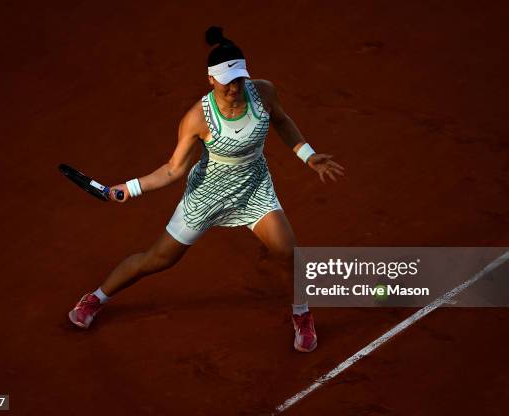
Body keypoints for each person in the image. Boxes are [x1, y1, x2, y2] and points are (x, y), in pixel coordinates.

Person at [68, 26, 344, 353]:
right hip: (206, 197)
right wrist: (130, 188)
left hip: (254, 190)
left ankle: (302, 314)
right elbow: (173, 169)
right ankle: (95, 299)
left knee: (288, 253)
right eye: (227, 80)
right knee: (157, 259)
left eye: (239, 78)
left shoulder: (263, 93)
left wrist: (308, 156)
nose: (235, 87)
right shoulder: (197, 118)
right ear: (211, 79)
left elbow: (282, 121)